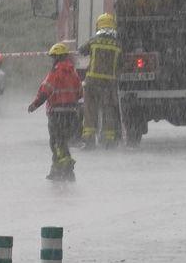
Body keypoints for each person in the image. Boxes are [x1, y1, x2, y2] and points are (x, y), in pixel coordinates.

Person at [28, 42, 82, 181]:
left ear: (57, 57)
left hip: (56, 113)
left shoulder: (55, 72)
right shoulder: (73, 72)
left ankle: (66, 167)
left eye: (53, 57)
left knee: (56, 143)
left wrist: (34, 105)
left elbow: (45, 91)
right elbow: (80, 92)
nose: (52, 60)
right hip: (71, 113)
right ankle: (57, 170)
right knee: (62, 141)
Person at [80, 12, 122, 149]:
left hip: (92, 82)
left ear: (99, 26)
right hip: (109, 84)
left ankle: (89, 140)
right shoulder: (118, 44)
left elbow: (82, 50)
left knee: (90, 110)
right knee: (108, 110)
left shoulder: (94, 41)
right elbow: (121, 64)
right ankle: (108, 140)